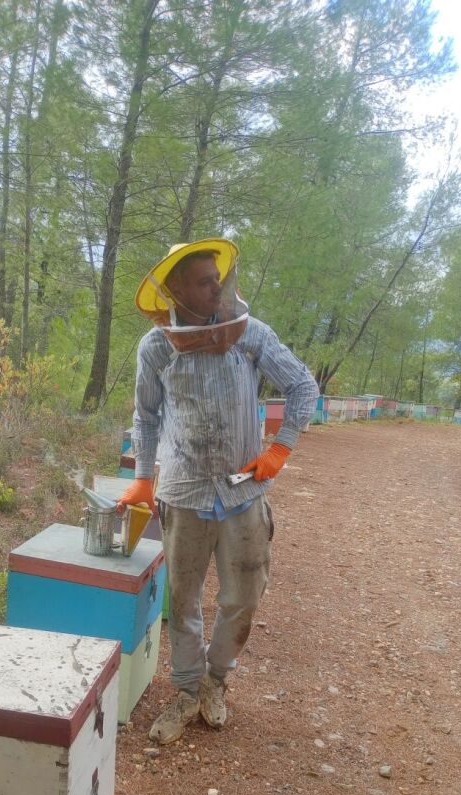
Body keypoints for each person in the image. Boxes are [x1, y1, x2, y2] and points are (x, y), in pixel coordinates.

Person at [118, 238, 318, 745]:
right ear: (178, 291)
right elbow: (144, 417)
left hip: (242, 494)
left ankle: (215, 681)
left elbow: (303, 387)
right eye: (205, 282)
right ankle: (186, 692)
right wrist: (143, 476)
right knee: (182, 601)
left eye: (218, 280)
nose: (217, 289)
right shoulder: (157, 346)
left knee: (243, 598)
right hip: (183, 493)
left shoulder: (251, 335)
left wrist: (280, 448)